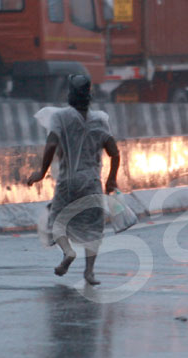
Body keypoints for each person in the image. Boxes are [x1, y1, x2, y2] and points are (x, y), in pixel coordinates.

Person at [27, 75, 120, 285]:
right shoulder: (100, 120)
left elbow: (51, 145)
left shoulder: (60, 117)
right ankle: (89, 272)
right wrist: (111, 180)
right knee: (93, 228)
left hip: (68, 182)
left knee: (57, 222)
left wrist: (41, 173)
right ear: (90, 95)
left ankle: (68, 253)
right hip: (91, 182)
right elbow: (114, 152)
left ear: (69, 94)